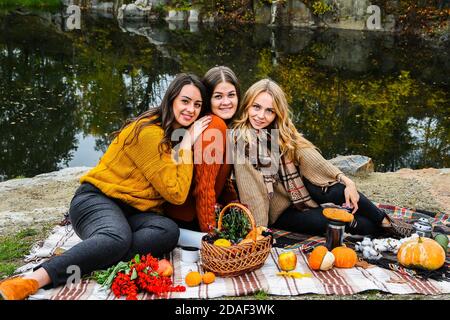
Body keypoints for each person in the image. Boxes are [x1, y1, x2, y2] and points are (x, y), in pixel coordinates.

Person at [0, 73, 212, 300]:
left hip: (130, 211)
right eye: (185, 101)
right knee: (116, 238)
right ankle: (31, 280)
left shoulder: (172, 133)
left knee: (167, 231)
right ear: (171, 100)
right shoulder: (150, 133)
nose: (191, 109)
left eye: (197, 105)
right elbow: (176, 194)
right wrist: (188, 143)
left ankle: (98, 251)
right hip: (95, 200)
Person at [231, 78, 412, 237]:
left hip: (298, 194)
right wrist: (259, 231)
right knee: (332, 222)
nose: (261, 116)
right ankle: (383, 229)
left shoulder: (280, 132)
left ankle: (385, 222)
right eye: (256, 107)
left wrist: (347, 180)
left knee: (338, 191)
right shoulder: (241, 142)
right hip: (279, 210)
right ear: (247, 104)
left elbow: (307, 154)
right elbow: (252, 192)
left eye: (269, 110)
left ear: (277, 113)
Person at [165, 66, 240, 233]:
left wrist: (238, 209)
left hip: (192, 215)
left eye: (231, 95)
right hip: (186, 221)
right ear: (208, 99)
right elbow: (204, 188)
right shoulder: (214, 125)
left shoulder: (219, 126)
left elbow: (220, 177)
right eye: (218, 96)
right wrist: (211, 236)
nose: (226, 102)